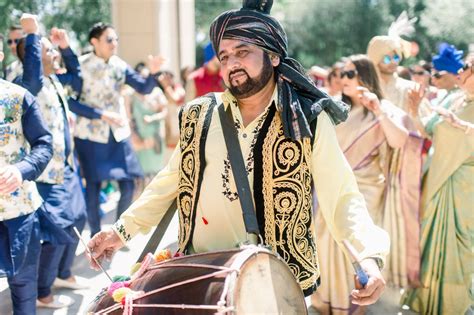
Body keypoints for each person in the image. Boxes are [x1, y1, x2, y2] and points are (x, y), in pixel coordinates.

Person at [88, 0, 389, 304]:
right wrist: (120, 231)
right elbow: (170, 181)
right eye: (225, 56)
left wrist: (367, 256)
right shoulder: (199, 114)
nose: (232, 63)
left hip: (276, 285)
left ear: (273, 56)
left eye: (242, 52)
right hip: (203, 278)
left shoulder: (305, 118)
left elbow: (341, 195)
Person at [311, 55, 423, 314]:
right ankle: (326, 301)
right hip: (330, 187)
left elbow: (400, 141)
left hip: (365, 191)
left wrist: (378, 110)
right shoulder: (336, 108)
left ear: (365, 76)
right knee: (326, 245)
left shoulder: (382, 108)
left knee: (354, 249)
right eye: (343, 73)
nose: (343, 78)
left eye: (351, 74)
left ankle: (353, 306)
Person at [14, 14, 88, 308]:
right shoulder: (30, 83)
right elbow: (32, 74)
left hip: (66, 167)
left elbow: (78, 79)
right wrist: (33, 34)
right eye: (48, 50)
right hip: (46, 172)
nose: (53, 53)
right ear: (32, 56)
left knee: (78, 219)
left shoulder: (55, 80)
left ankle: (62, 273)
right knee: (58, 231)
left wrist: (67, 48)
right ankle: (43, 291)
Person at [72, 22, 163, 236]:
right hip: (90, 135)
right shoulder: (80, 65)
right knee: (94, 186)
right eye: (109, 39)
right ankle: (95, 234)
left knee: (130, 182)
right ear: (94, 41)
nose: (115, 44)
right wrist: (101, 114)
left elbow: (143, 87)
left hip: (118, 135)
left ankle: (118, 232)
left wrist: (154, 73)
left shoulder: (119, 65)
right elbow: (71, 102)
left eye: (116, 39)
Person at [401, 56, 474, 315]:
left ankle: (453, 306)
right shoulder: (452, 98)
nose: (461, 71)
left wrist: (462, 125)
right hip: (435, 180)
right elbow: (428, 132)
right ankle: (426, 302)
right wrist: (415, 108)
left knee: (459, 251)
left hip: (464, 188)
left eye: (466, 67)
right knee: (430, 242)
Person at [0, 38, 53, 314]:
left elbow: (44, 143)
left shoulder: (19, 97)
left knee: (23, 286)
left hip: (19, 209)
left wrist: (21, 169)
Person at [124, 62, 168, 185]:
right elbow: (128, 117)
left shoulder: (156, 92)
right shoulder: (130, 94)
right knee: (141, 173)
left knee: (156, 171)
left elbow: (165, 111)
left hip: (155, 135)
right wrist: (133, 134)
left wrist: (153, 118)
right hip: (139, 135)